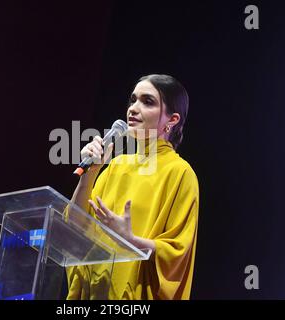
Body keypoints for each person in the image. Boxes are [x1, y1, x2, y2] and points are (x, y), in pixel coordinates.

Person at [67, 74, 199, 300]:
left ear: (172, 119)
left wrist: (131, 240)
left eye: (147, 102)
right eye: (133, 100)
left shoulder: (180, 173)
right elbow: (72, 226)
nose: (133, 109)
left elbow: (177, 253)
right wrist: (90, 173)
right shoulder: (116, 165)